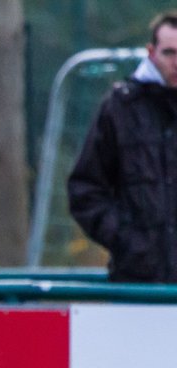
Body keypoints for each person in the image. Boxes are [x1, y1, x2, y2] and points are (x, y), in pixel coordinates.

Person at [68, 10, 177, 282]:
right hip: (138, 279)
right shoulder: (120, 108)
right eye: (169, 53)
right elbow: (85, 190)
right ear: (151, 52)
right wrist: (128, 241)